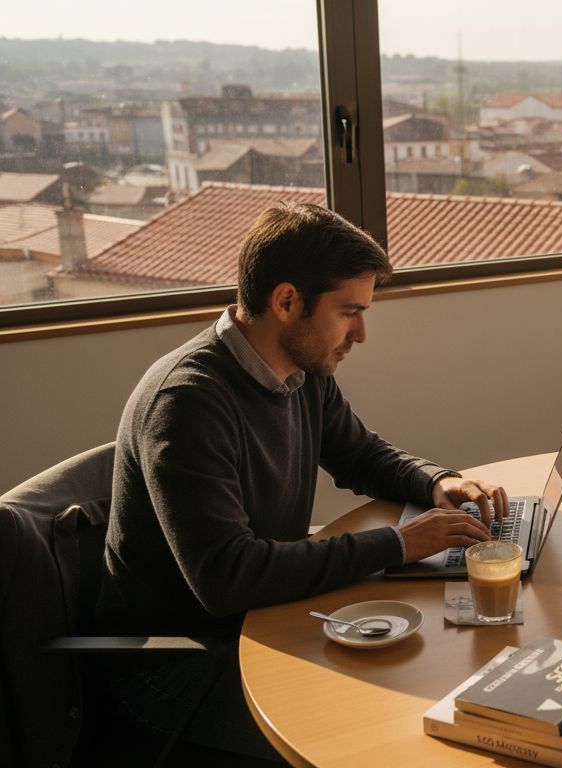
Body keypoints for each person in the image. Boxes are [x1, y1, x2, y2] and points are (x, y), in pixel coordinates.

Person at [96, 202, 508, 760]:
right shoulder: (187, 403)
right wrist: (398, 544)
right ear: (287, 302)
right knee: (380, 738)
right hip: (181, 661)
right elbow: (228, 577)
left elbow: (359, 454)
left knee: (436, 675)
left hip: (269, 620)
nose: (361, 333)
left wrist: (437, 483)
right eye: (348, 312)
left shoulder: (300, 372)